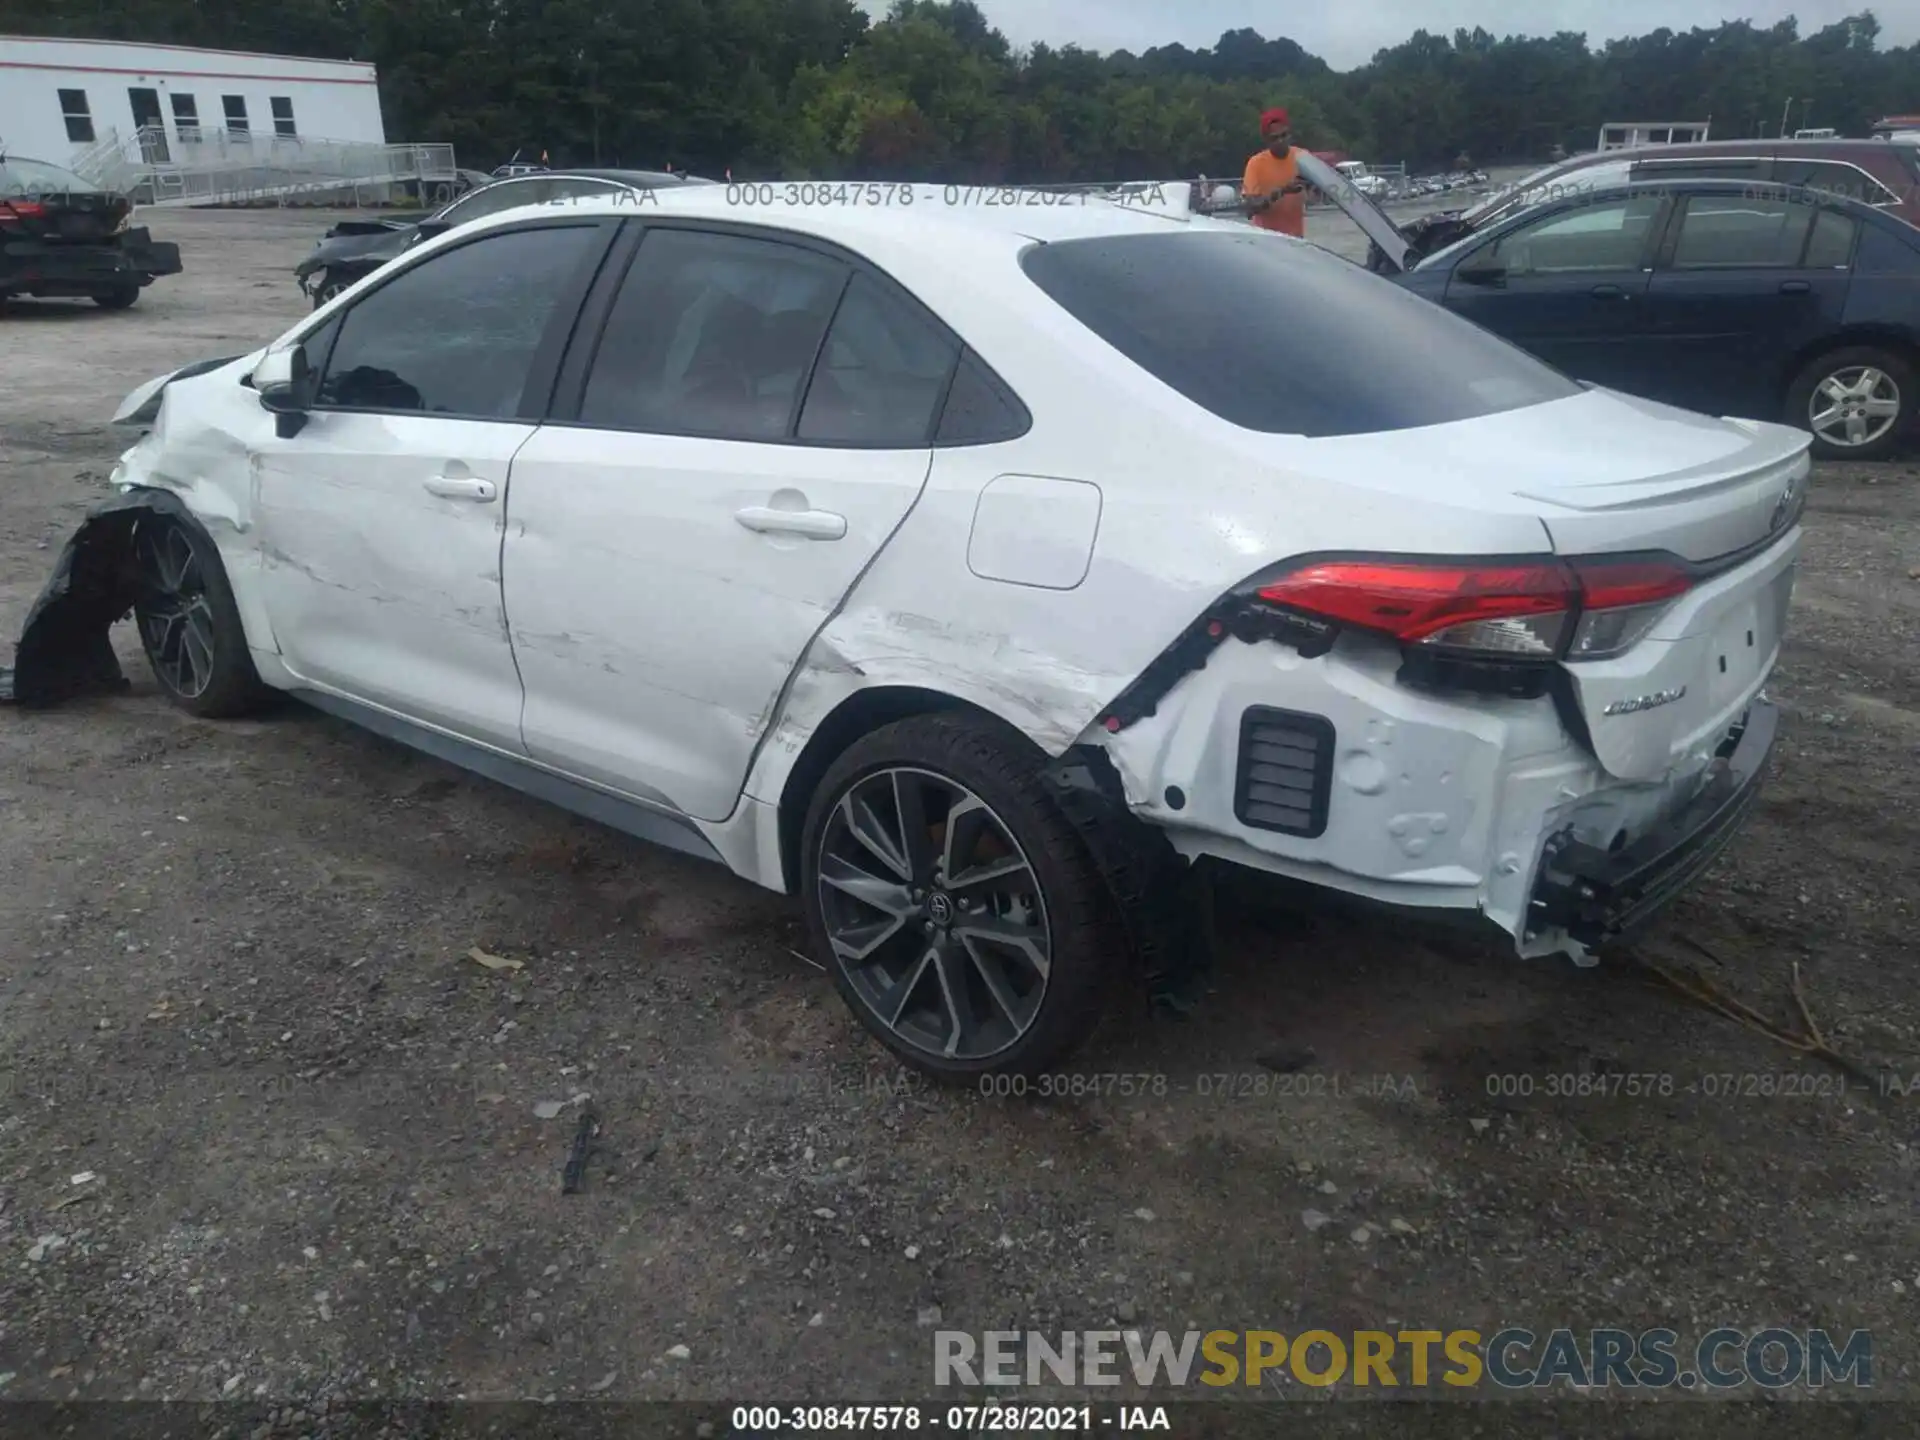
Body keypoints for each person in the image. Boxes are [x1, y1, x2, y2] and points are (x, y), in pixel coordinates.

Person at [1240, 108, 1309, 237]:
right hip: (1267, 241)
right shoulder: (1256, 164)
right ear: (1266, 140)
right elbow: (1250, 209)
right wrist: (1281, 192)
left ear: (1290, 134)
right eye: (1274, 138)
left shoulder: (1302, 158)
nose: (1280, 141)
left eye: (1284, 135)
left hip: (1296, 240)